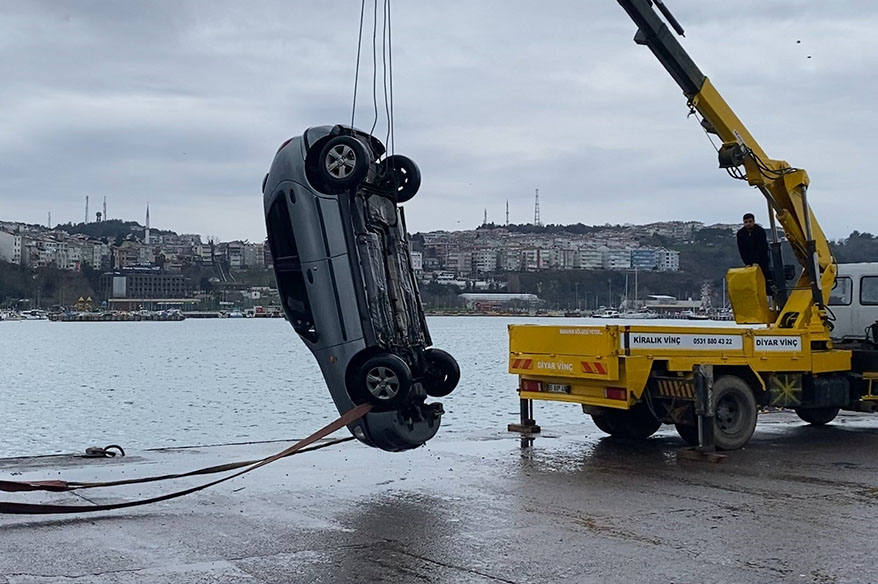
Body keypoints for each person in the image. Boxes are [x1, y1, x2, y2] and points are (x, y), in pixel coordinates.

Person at [736, 213, 772, 292]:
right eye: (746, 222)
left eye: (750, 221)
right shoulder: (740, 234)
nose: (748, 224)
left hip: (762, 260)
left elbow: (762, 248)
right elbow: (742, 250)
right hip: (749, 261)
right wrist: (747, 263)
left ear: (753, 221)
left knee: (764, 277)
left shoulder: (760, 231)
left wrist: (756, 262)